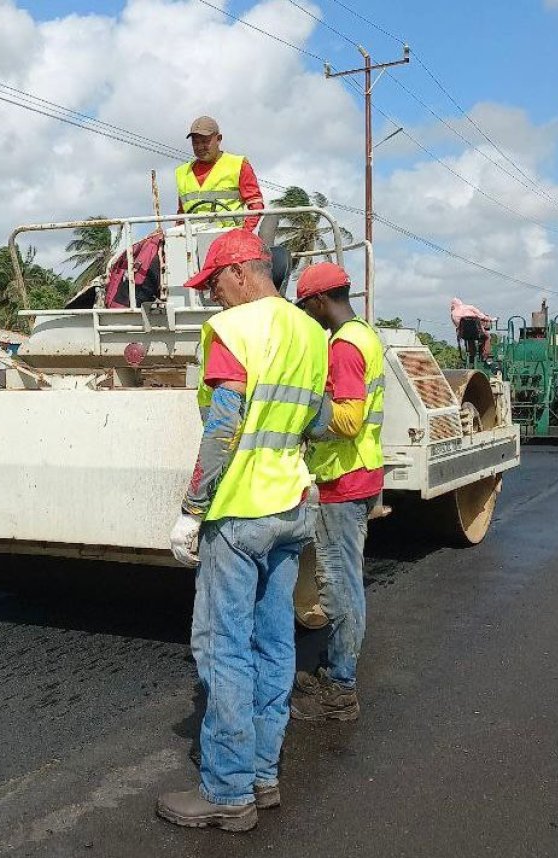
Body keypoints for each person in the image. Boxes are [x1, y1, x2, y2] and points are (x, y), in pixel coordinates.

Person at [156, 230, 328, 832]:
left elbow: (224, 427)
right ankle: (261, 774)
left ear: (241, 274)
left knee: (222, 647)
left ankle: (227, 792)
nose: (211, 300)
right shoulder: (312, 333)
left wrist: (192, 507)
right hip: (292, 507)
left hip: (241, 513)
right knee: (274, 643)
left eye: (213, 286)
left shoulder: (236, 331)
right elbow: (321, 420)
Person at [290, 262, 384, 723]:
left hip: (343, 482)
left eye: (305, 305)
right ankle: (334, 669)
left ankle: (341, 690)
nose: (305, 313)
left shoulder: (344, 347)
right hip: (360, 474)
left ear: (318, 301)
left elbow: (347, 420)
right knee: (345, 580)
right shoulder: (362, 333)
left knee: (340, 586)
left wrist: (300, 411)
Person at [175, 116, 264, 231]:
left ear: (218, 139)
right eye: (195, 142)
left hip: (229, 240)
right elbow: (181, 215)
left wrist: (243, 234)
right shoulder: (182, 173)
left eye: (205, 141)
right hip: (192, 241)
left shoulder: (238, 164)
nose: (200, 147)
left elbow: (256, 205)